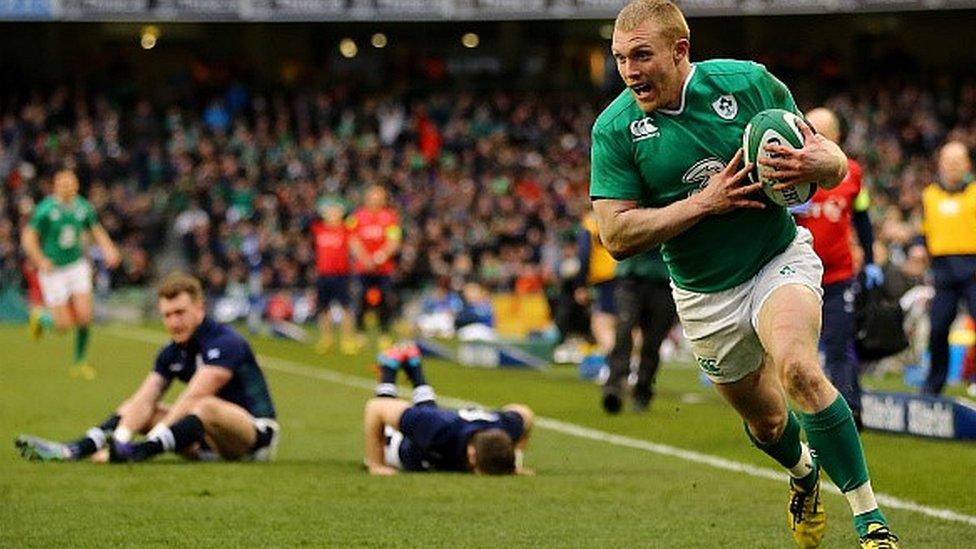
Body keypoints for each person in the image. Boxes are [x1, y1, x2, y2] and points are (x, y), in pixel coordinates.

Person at [588, 2, 897, 547]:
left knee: (800, 369)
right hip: (703, 294)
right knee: (769, 424)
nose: (629, 71)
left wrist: (816, 166)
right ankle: (804, 476)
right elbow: (614, 236)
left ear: (681, 51)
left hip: (775, 258)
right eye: (619, 59)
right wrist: (703, 204)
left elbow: (834, 164)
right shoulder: (615, 128)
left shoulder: (748, 83)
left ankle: (871, 521)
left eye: (641, 55)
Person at [15, 272, 279, 463]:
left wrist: (145, 443)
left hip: (253, 438)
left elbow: (194, 397)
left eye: (180, 312)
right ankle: (74, 450)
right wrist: (121, 437)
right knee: (137, 406)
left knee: (203, 405)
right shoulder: (171, 351)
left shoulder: (226, 341)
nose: (174, 322)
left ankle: (139, 453)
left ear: (200, 309)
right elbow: (146, 397)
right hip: (207, 440)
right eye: (167, 315)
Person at [792, 107, 882, 427]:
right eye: (809, 129)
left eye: (822, 131)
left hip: (838, 275)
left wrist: (871, 261)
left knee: (839, 344)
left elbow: (863, 219)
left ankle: (850, 411)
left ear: (837, 137)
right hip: (797, 277)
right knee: (796, 351)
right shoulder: (790, 169)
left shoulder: (853, 173)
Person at [364, 342, 534, 475]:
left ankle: (414, 366)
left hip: (440, 427)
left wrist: (515, 462)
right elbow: (375, 408)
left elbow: (525, 414)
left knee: (428, 420)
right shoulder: (439, 429)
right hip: (408, 444)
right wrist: (376, 464)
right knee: (398, 427)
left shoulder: (507, 425)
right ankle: (389, 368)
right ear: (472, 455)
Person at [20, 169, 120, 380]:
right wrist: (40, 259)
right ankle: (40, 316)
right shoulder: (46, 209)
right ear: (55, 186)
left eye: (71, 183)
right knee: (63, 326)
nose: (68, 187)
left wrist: (109, 248)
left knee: (85, 316)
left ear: (76, 185)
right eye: (63, 184)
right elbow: (28, 238)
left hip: (76, 266)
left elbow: (96, 230)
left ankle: (79, 363)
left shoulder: (83, 207)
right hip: (53, 270)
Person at [919, 141, 976, 395]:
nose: (952, 167)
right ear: (940, 164)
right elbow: (924, 230)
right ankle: (933, 385)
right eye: (947, 161)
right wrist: (918, 246)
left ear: (967, 165)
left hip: (973, 268)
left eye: (957, 161)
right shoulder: (929, 195)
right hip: (942, 271)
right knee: (938, 328)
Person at [601, 247, 676, 414]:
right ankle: (614, 384)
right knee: (624, 330)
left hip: (663, 282)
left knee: (653, 342)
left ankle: (643, 392)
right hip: (630, 279)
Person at [349, 185, 402, 350]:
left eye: (379, 197)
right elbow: (353, 240)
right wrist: (365, 259)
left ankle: (384, 334)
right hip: (362, 268)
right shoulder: (356, 217)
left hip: (383, 268)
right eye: (372, 197)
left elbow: (394, 241)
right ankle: (359, 334)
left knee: (385, 301)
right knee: (360, 300)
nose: (375, 200)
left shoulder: (391, 217)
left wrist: (381, 256)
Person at [309, 198, 358, 355]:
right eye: (329, 212)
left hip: (342, 275)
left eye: (335, 212)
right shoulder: (319, 228)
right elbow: (306, 219)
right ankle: (327, 339)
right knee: (323, 308)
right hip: (323, 274)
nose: (332, 215)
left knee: (346, 308)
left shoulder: (346, 229)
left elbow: (354, 225)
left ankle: (347, 340)